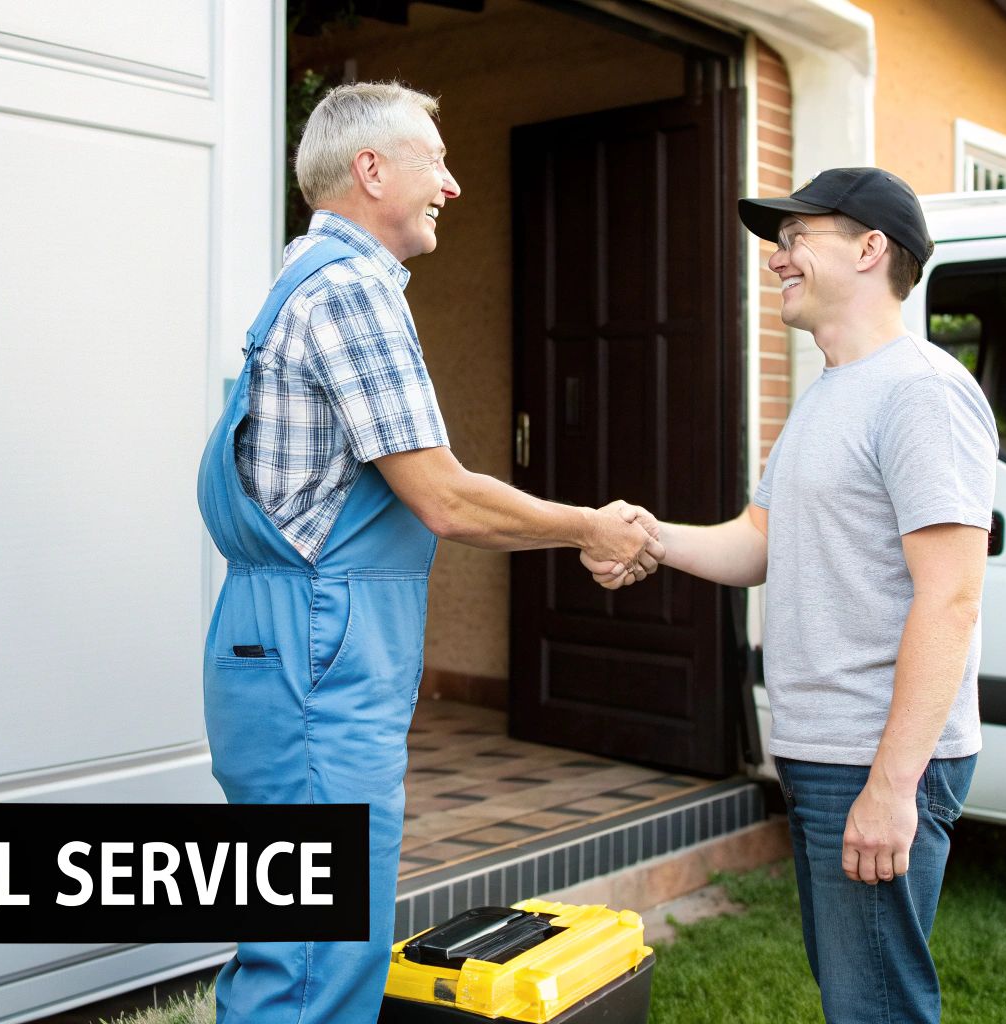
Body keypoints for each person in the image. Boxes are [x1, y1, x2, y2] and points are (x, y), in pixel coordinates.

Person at [197, 81, 664, 1024]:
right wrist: (589, 527)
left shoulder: (303, 282)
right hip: (316, 653)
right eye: (435, 163)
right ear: (371, 170)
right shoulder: (353, 291)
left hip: (285, 644)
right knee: (316, 961)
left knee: (295, 938)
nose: (451, 185)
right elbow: (444, 498)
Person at [590, 168, 996, 1023]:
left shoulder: (921, 392)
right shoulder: (830, 395)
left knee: (874, 1007)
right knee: (855, 996)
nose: (778, 257)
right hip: (825, 751)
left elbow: (953, 598)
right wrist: (648, 538)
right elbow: (760, 540)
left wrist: (892, 787)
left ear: (870, 248)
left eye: (797, 236)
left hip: (874, 758)